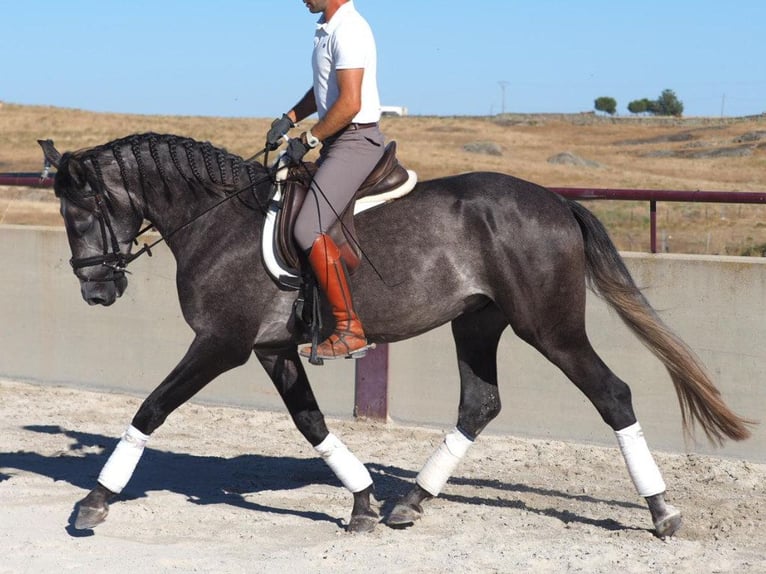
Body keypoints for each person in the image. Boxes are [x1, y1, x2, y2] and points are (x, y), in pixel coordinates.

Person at [265, 0, 384, 360]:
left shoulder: (349, 29)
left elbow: (349, 102)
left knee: (307, 229)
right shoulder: (327, 29)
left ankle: (349, 328)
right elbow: (323, 91)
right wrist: (290, 117)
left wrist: (309, 139)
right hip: (337, 140)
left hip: (355, 141)